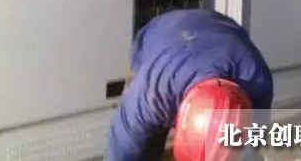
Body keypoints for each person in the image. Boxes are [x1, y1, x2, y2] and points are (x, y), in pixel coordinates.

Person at [106, 9, 274, 161]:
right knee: (145, 146)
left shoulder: (258, 86)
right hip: (162, 32)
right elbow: (121, 149)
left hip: (219, 28)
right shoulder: (152, 93)